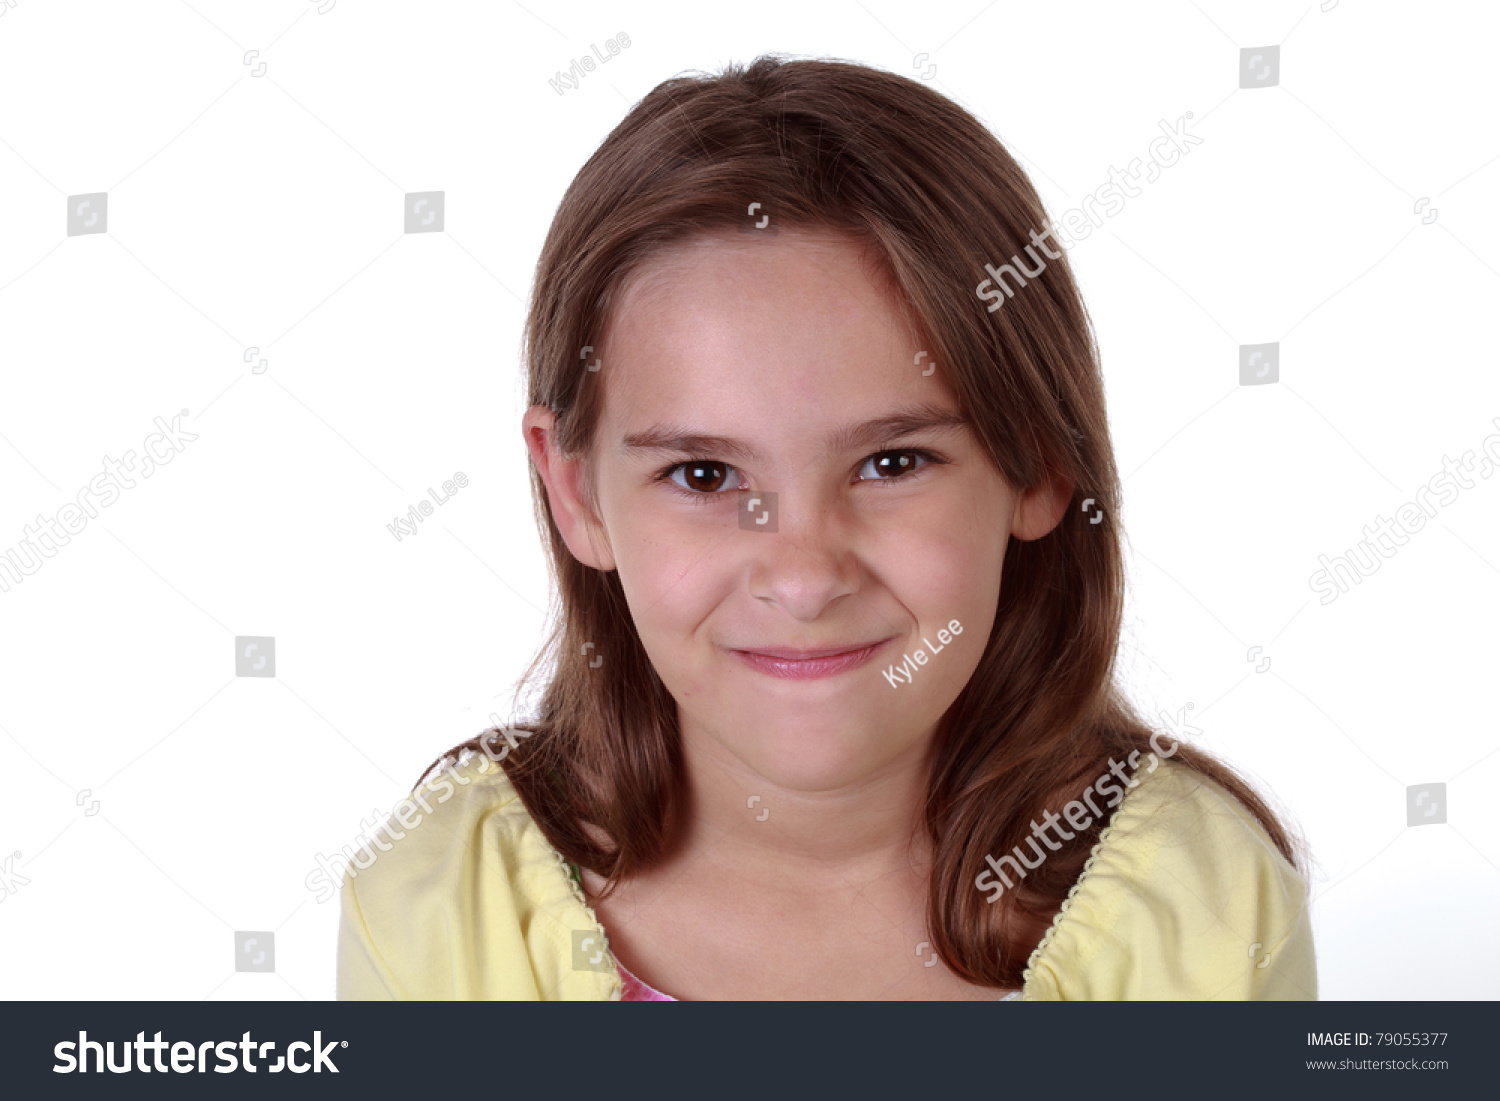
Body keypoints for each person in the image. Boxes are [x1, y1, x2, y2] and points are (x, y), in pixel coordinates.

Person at [337, 55, 1316, 1000]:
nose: (803, 577)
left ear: (1039, 463)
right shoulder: (444, 911)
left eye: (892, 464)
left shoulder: (1198, 909)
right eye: (705, 474)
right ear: (578, 494)